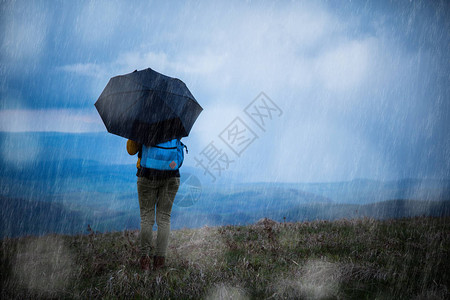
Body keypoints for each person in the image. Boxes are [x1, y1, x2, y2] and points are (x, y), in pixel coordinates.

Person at [127, 139, 181, 271]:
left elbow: (131, 150)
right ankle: (160, 262)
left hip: (147, 175)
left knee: (146, 218)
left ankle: (145, 261)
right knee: (164, 218)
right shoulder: (175, 122)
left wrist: (134, 134)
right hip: (171, 175)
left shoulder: (144, 122)